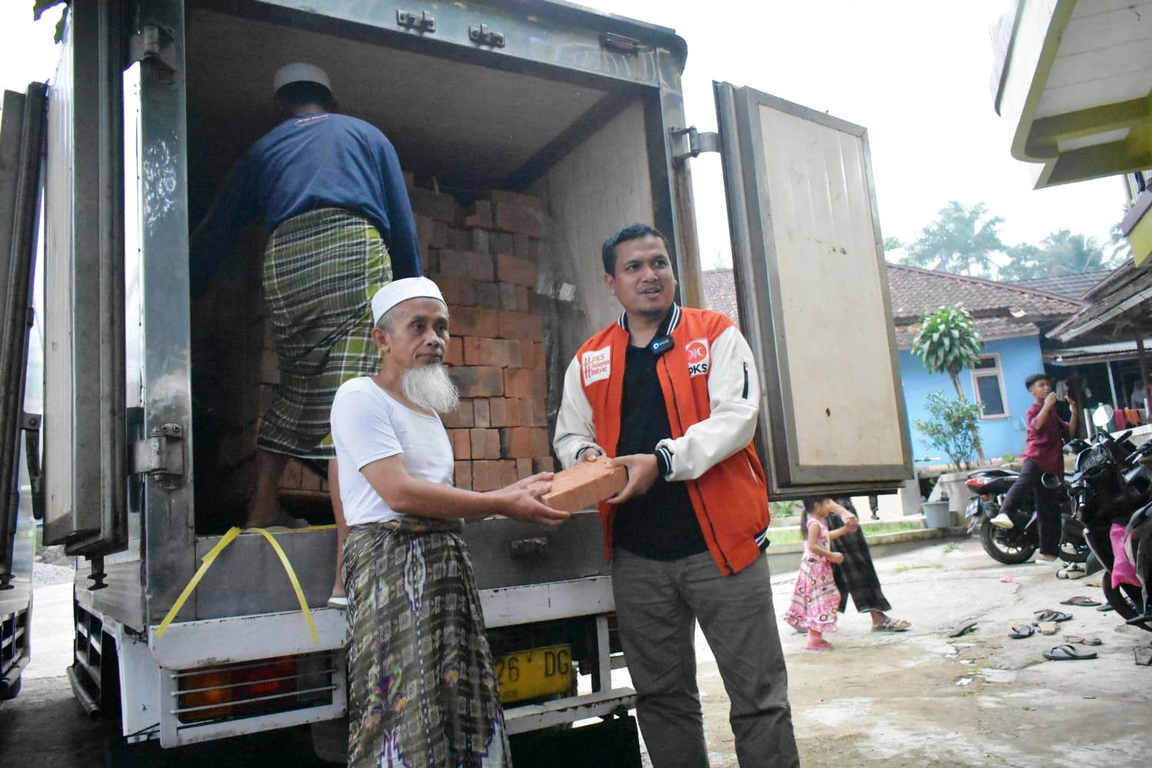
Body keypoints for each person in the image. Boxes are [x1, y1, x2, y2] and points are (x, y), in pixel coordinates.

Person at [554, 223, 799, 768]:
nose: (650, 276)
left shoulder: (714, 334)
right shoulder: (589, 359)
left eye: (659, 263)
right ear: (610, 283)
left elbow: (738, 418)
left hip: (724, 551)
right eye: (634, 267)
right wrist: (587, 461)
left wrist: (662, 460)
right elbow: (571, 434)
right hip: (639, 558)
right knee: (662, 701)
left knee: (759, 700)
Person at [190, 62, 421, 604]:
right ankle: (348, 562)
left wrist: (190, 282)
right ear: (328, 98)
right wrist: (414, 292)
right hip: (349, 244)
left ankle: (262, 509)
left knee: (298, 382)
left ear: (283, 103)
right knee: (353, 397)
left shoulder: (263, 148)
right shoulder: (366, 134)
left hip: (287, 259)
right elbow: (401, 219)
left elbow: (221, 222)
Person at [330, 277, 569, 766]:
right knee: (401, 714)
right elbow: (396, 492)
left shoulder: (429, 413)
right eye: (417, 326)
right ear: (382, 338)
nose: (433, 339)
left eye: (441, 327)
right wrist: (501, 501)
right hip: (391, 574)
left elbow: (348, 469)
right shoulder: (359, 396)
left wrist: (507, 498)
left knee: (455, 707)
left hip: (444, 570)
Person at [990, 373, 1078, 562]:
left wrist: (1074, 411)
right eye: (1041, 385)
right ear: (1033, 391)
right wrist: (1047, 406)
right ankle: (1005, 513)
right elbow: (1037, 424)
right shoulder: (1034, 410)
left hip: (1051, 466)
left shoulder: (1053, 413)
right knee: (1023, 484)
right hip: (1035, 458)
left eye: (1048, 385)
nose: (1046, 388)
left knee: (1049, 510)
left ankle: (1049, 553)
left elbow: (1069, 431)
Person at [801, 498, 911, 632]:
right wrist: (841, 511)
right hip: (831, 509)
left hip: (834, 507)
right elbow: (819, 490)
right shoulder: (819, 514)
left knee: (831, 570)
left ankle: (809, 617)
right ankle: (877, 617)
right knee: (856, 564)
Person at [784, 498, 849, 650]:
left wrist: (845, 529)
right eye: (827, 503)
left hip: (818, 568)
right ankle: (814, 639)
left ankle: (816, 637)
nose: (829, 507)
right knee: (819, 600)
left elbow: (826, 536)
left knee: (821, 599)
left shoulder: (817, 523)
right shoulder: (813, 524)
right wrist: (831, 555)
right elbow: (812, 546)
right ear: (817, 506)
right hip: (815, 568)